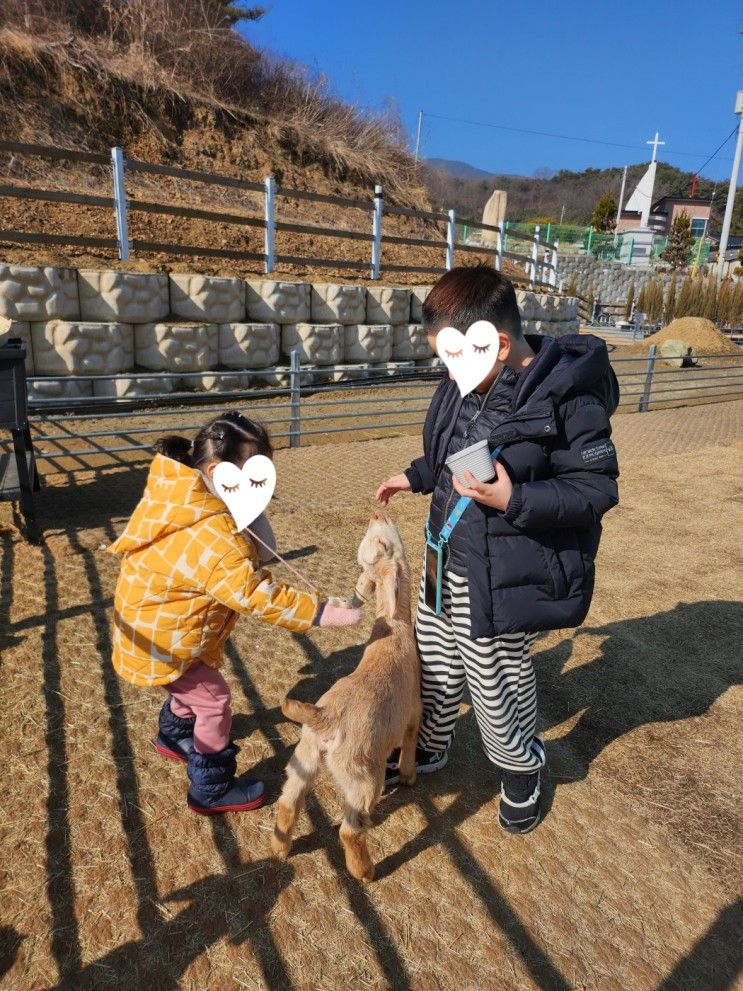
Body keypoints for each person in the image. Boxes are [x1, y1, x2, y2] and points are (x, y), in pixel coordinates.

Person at [377, 267, 619, 833]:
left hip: (504, 570)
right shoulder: (464, 384)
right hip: (445, 553)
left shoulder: (569, 397)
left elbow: (596, 488)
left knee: (495, 678)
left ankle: (521, 770)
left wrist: (515, 497)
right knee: (434, 663)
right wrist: (414, 476)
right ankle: (429, 747)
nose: (447, 370)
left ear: (497, 343)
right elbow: (449, 452)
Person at [108, 410, 361, 815]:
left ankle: (173, 736)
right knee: (213, 700)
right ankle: (210, 787)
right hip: (164, 642)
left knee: (188, 688)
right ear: (217, 472)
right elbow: (255, 594)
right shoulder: (213, 536)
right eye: (254, 478)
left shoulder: (185, 495)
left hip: (158, 628)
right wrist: (320, 611)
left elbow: (252, 557)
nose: (261, 489)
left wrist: (252, 514)